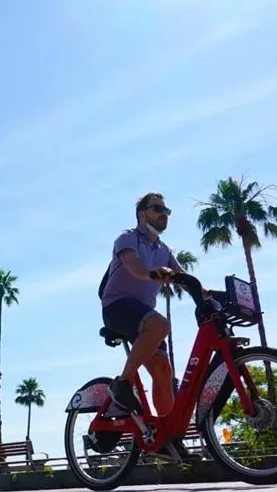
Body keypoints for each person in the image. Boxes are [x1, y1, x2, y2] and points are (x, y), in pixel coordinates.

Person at [99, 191, 193, 459]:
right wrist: (153, 273)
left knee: (163, 370)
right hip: (117, 308)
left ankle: (166, 436)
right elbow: (136, 268)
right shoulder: (127, 238)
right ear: (143, 214)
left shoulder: (164, 250)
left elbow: (185, 278)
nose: (164, 214)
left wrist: (209, 295)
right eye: (157, 209)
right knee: (160, 325)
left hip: (142, 315)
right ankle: (122, 385)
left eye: (167, 211)